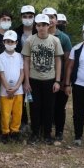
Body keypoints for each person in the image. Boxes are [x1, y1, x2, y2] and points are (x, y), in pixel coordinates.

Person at [22, 13, 64, 144]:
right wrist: (27, 81)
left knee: (49, 107)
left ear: (48, 25)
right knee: (34, 107)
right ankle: (35, 134)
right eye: (39, 25)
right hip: (34, 79)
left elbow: (58, 61)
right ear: (36, 26)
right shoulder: (30, 40)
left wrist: (57, 81)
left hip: (49, 79)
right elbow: (26, 61)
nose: (41, 28)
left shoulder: (55, 41)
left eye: (44, 25)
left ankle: (47, 134)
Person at [43, 7, 73, 143]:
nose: (49, 20)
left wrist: (65, 82)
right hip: (43, 77)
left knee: (59, 107)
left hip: (59, 78)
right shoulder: (37, 35)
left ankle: (59, 131)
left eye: (52, 17)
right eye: (46, 17)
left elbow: (67, 61)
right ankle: (45, 131)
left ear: (56, 20)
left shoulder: (63, 38)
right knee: (45, 106)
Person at [0, 30, 24, 142]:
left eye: (12, 41)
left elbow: (22, 73)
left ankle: (15, 131)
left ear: (16, 43)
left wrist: (16, 87)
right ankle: (5, 132)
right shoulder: (0, 57)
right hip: (5, 91)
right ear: (4, 42)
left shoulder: (19, 56)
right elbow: (1, 74)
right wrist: (8, 88)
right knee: (5, 112)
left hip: (18, 90)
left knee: (17, 112)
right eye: (7, 41)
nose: (10, 43)